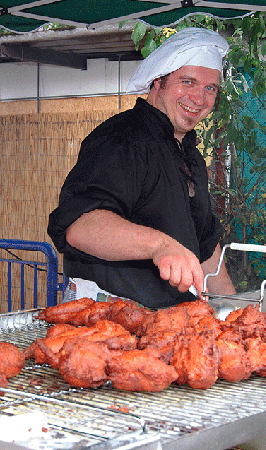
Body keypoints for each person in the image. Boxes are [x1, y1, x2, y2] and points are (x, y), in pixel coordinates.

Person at [47, 27, 236, 308]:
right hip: (108, 322)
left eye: (210, 88)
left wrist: (235, 308)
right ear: (158, 83)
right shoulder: (120, 139)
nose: (199, 98)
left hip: (170, 323)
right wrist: (160, 245)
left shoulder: (191, 156)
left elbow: (205, 247)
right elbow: (80, 227)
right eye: (187, 82)